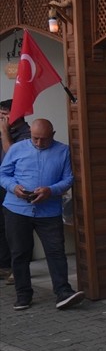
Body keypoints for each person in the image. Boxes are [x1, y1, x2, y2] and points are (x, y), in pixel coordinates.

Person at [1, 118, 85, 311]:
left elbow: (68, 179)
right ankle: (23, 295)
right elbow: (3, 174)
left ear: (53, 135)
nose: (39, 143)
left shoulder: (63, 151)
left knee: (56, 252)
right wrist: (14, 188)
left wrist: (51, 190)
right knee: (20, 252)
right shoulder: (16, 149)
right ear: (30, 133)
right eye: (35, 138)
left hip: (49, 211)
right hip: (16, 209)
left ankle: (63, 292)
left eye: (44, 139)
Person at [0, 99, 32, 285]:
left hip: (17, 187)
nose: (2, 120)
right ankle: (4, 265)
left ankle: (18, 269)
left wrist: (5, 134)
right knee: (2, 227)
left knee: (17, 231)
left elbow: (13, 156)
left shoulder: (28, 134)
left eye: (5, 116)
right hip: (2, 183)